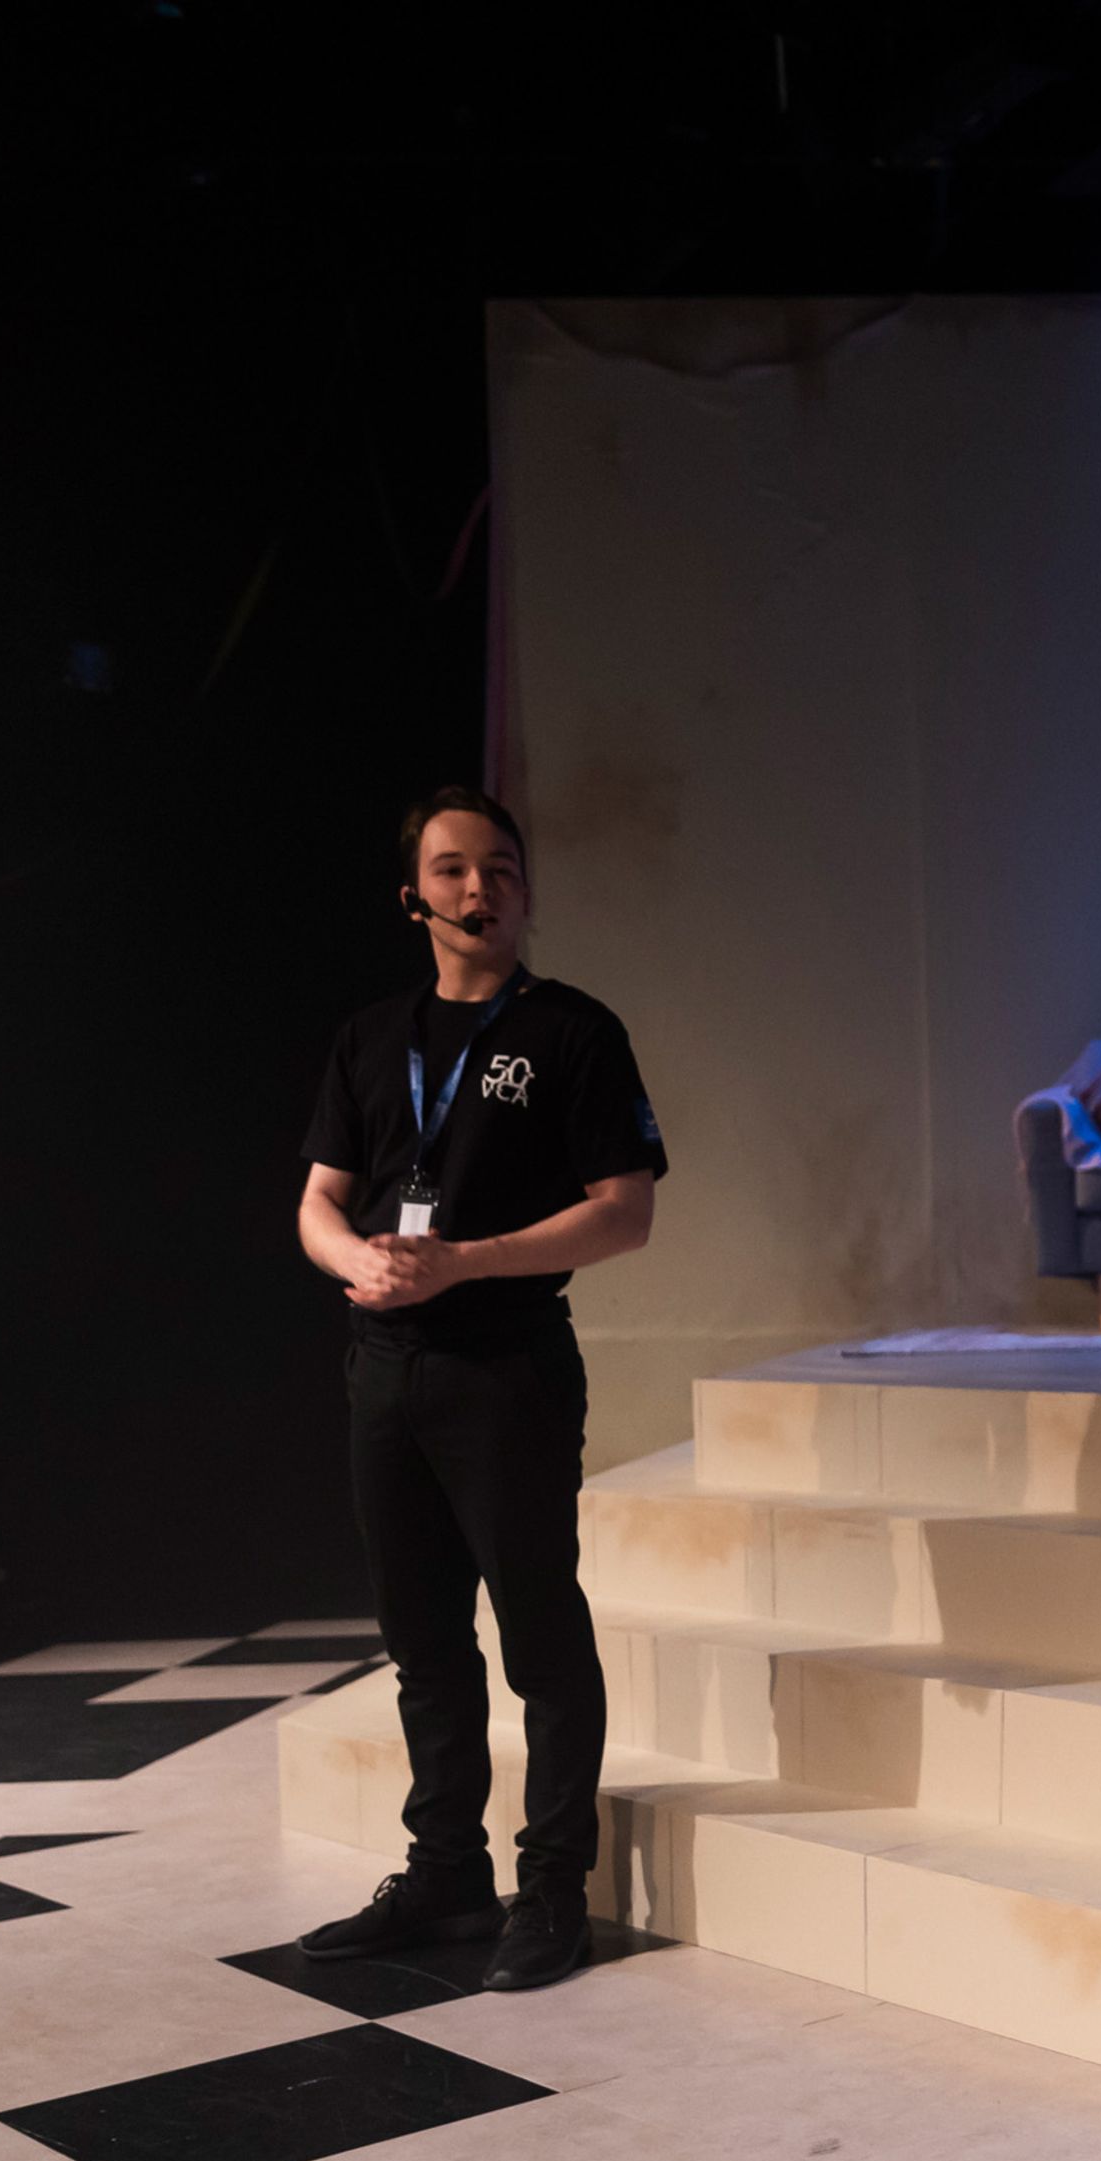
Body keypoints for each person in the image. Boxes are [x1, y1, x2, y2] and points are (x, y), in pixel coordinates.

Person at [291, 786, 667, 1992]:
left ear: (526, 890)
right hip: (384, 1372)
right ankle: (445, 1867)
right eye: (452, 870)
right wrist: (366, 1263)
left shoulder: (573, 1032)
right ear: (415, 895)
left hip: (506, 1368)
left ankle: (553, 1887)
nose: (479, 889)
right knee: (421, 1641)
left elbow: (625, 1214)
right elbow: (317, 1199)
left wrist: (459, 1261)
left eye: (500, 869)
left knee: (540, 1637)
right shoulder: (370, 1035)